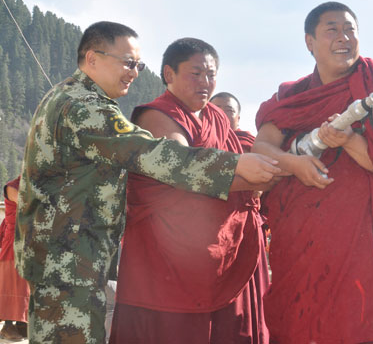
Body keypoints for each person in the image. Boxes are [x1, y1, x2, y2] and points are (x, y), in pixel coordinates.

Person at [14, 22, 280, 344]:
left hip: (70, 256)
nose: (134, 72)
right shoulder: (83, 107)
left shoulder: (70, 96)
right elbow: (150, 153)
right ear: (92, 58)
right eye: (127, 62)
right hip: (69, 260)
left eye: (137, 64)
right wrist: (237, 164)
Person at [253, 2, 373, 343]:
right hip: (301, 235)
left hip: (363, 235)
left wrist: (347, 139)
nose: (343, 38)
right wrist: (296, 164)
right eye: (332, 30)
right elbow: (262, 148)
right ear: (309, 42)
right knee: (301, 321)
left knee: (365, 322)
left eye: (350, 30)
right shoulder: (292, 95)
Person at [109, 38, 272, 344]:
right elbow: (183, 169)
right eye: (195, 74)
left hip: (220, 251)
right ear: (169, 74)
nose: (205, 83)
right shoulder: (156, 115)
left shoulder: (217, 118)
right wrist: (250, 176)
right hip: (167, 258)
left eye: (211, 75)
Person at [0, 177, 29, 340]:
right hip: (13, 242)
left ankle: (22, 324)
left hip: (30, 241)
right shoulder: (11, 187)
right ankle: (8, 326)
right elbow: (27, 204)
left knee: (26, 285)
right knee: (11, 285)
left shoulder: (36, 184)